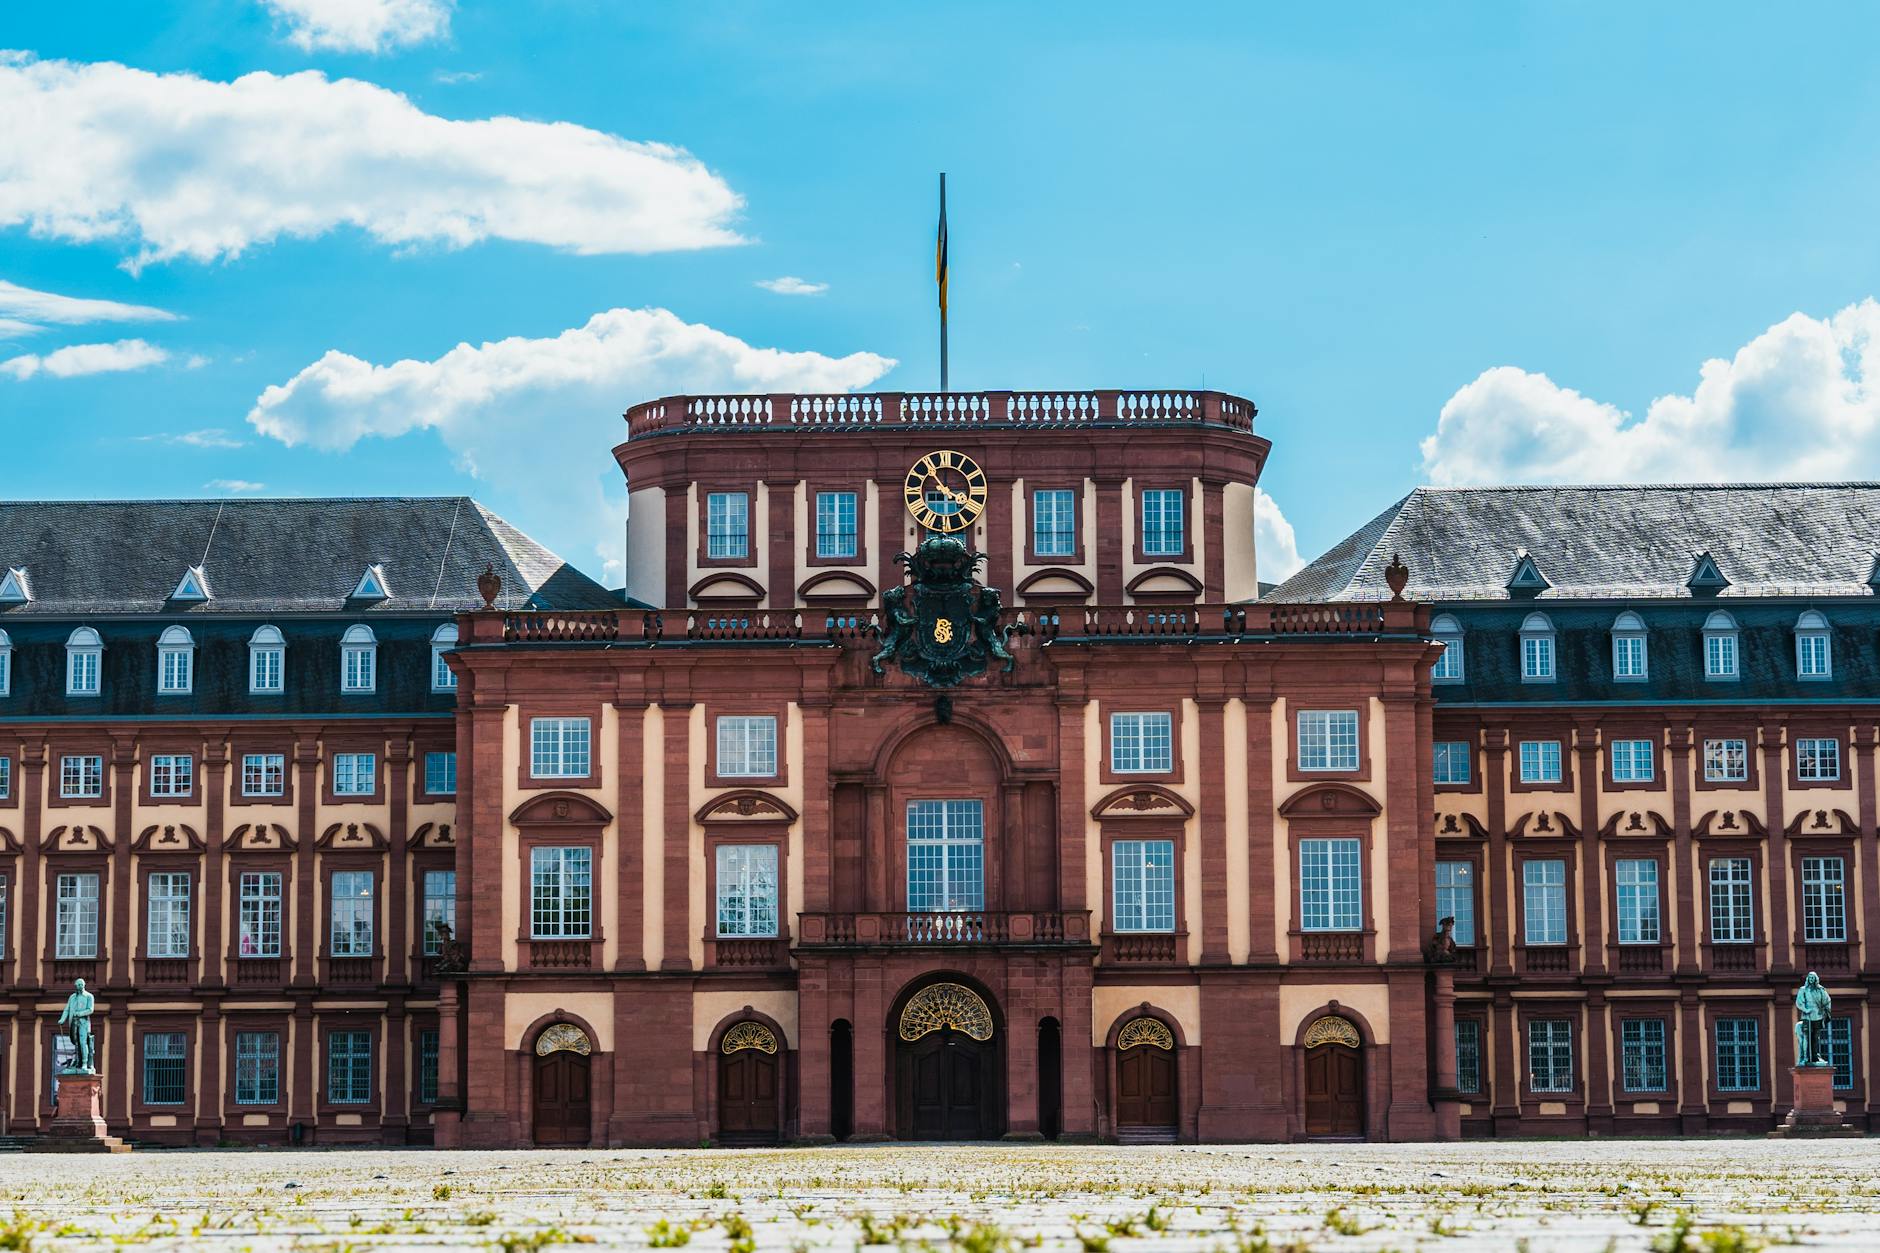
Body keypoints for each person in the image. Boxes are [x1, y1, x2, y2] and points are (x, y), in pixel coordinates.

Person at [1794, 971, 1832, 1067]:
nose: (1811, 979)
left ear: (1816, 979)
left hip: (1818, 1016)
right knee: (1807, 1037)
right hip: (1807, 1016)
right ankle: (1806, 1057)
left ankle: (1815, 1056)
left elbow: (1827, 1001)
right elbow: (1799, 1002)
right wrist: (1805, 1009)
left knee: (1816, 1037)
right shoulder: (1803, 990)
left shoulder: (1820, 990)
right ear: (1808, 979)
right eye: (1810, 977)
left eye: (1813, 978)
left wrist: (1824, 1010)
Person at [58, 977, 96, 1074]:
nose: (79, 986)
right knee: (76, 1043)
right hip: (74, 1022)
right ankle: (77, 1062)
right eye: (77, 985)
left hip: (84, 1022)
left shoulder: (89, 996)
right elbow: (67, 1009)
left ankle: (84, 1063)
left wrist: (79, 1013)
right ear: (75, 986)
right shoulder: (72, 997)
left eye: (81, 984)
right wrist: (62, 1019)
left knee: (83, 1042)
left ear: (84, 985)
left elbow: (90, 1009)